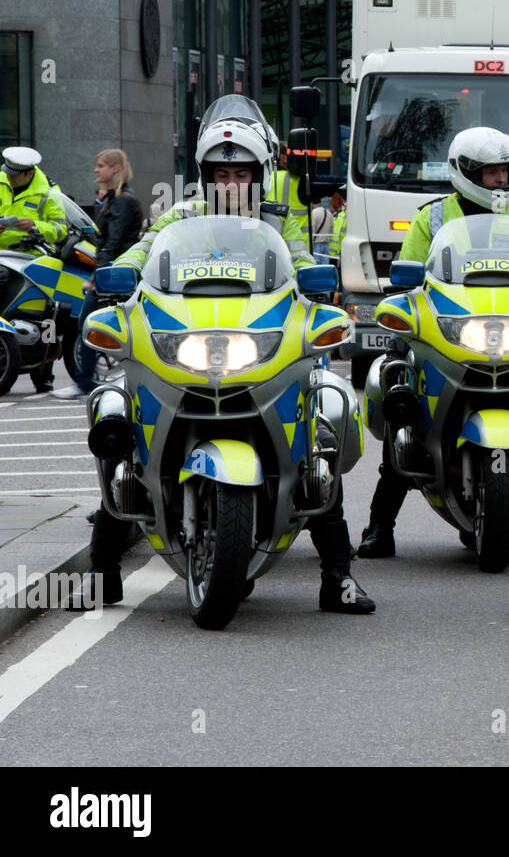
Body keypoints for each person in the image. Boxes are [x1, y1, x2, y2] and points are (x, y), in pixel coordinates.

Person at [70, 107, 374, 615]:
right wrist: (113, 277)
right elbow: (143, 253)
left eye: (241, 174)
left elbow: (301, 264)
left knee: (319, 436)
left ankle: (338, 578)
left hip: (260, 345)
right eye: (221, 174)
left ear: (259, 175)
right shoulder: (181, 216)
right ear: (205, 177)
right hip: (184, 342)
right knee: (119, 423)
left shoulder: (278, 221)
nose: (231, 184)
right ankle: (103, 574)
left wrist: (322, 291)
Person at [358, 127, 509, 560]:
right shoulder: (432, 217)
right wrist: (405, 303)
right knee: (403, 394)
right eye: (491, 172)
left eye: (505, 171)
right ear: (466, 173)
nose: (501, 181)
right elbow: (408, 275)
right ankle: (380, 524)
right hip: (450, 328)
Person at [53, 150, 142, 399]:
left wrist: (97, 278)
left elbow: (113, 244)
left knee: (87, 325)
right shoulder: (117, 199)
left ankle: (84, 384)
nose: (96, 170)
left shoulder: (123, 201)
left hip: (113, 276)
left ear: (115, 169)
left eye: (101, 165)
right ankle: (86, 382)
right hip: (113, 273)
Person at [0, 147, 71, 390]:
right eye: (7, 172)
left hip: (32, 259)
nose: (8, 178)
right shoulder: (1, 180)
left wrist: (35, 226)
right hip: (2, 256)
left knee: (45, 313)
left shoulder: (49, 191)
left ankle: (43, 371)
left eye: (14, 175)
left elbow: (61, 229)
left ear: (29, 174)